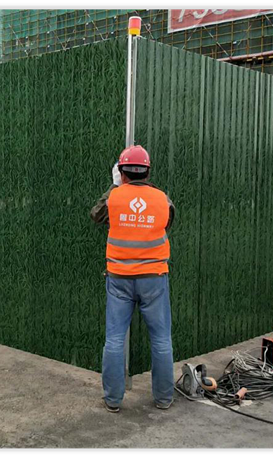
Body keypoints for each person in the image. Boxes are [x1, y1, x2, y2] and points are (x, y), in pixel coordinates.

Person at [90, 144, 176, 413]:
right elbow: (168, 222)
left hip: (119, 278)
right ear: (147, 172)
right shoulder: (163, 199)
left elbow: (96, 215)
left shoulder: (113, 197)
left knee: (115, 339)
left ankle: (113, 400)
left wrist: (115, 187)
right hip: (154, 278)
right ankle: (164, 398)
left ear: (121, 171)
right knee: (161, 340)